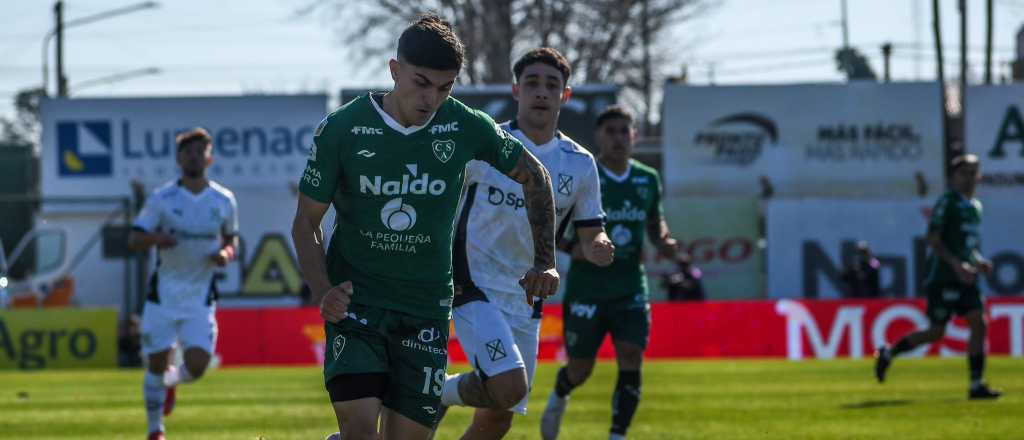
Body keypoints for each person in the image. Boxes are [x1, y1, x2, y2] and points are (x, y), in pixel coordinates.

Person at [291, 14, 558, 440]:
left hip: (426, 309)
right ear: (394, 70)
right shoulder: (343, 128)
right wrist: (323, 289)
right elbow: (306, 223)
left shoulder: (465, 124)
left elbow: (536, 176)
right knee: (361, 431)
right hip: (358, 302)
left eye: (445, 87)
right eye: (421, 83)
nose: (431, 98)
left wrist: (545, 261)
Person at [435, 47, 614, 440]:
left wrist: (600, 244)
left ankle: (438, 391)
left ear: (565, 95)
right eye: (532, 83)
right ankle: (436, 391)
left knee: (499, 417)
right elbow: (442, 202)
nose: (541, 92)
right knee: (509, 386)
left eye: (552, 85)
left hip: (527, 297)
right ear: (516, 90)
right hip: (472, 284)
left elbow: (590, 232)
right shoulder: (487, 143)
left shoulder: (580, 163)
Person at [540, 105, 679, 440]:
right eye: (610, 131)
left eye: (624, 131)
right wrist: (575, 249)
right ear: (598, 136)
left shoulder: (648, 179)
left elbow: (654, 220)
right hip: (587, 288)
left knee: (631, 355)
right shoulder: (586, 174)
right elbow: (549, 224)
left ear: (635, 136)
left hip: (630, 286)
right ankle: (561, 391)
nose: (618, 138)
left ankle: (618, 434)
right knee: (580, 369)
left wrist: (663, 240)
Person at [129, 127, 239, 440]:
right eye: (188, 152)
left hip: (199, 295)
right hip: (163, 295)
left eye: (200, 152)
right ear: (179, 159)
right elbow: (134, 238)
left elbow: (232, 240)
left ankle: (171, 381)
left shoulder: (223, 200)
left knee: (198, 365)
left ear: (210, 158)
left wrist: (225, 254)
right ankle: (155, 431)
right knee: (155, 363)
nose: (194, 157)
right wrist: (156, 238)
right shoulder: (162, 198)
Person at [874, 154, 1001, 400]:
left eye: (973, 172)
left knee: (979, 322)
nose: (969, 177)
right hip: (943, 277)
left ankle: (976, 385)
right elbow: (934, 239)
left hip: (965, 277)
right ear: (954, 177)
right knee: (936, 332)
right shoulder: (947, 203)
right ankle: (889, 353)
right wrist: (957, 265)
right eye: (964, 172)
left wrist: (978, 261)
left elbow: (967, 246)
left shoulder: (975, 207)